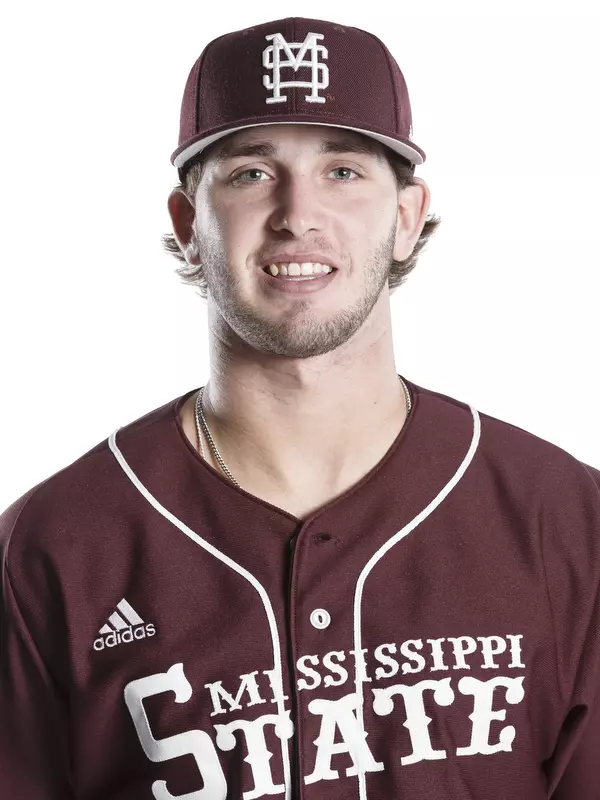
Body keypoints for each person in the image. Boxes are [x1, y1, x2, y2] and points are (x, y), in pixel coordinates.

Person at [1, 15, 599, 800]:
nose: (296, 214)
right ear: (188, 225)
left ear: (407, 217)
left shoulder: (567, 521)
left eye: (344, 172)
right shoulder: (53, 549)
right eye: (251, 173)